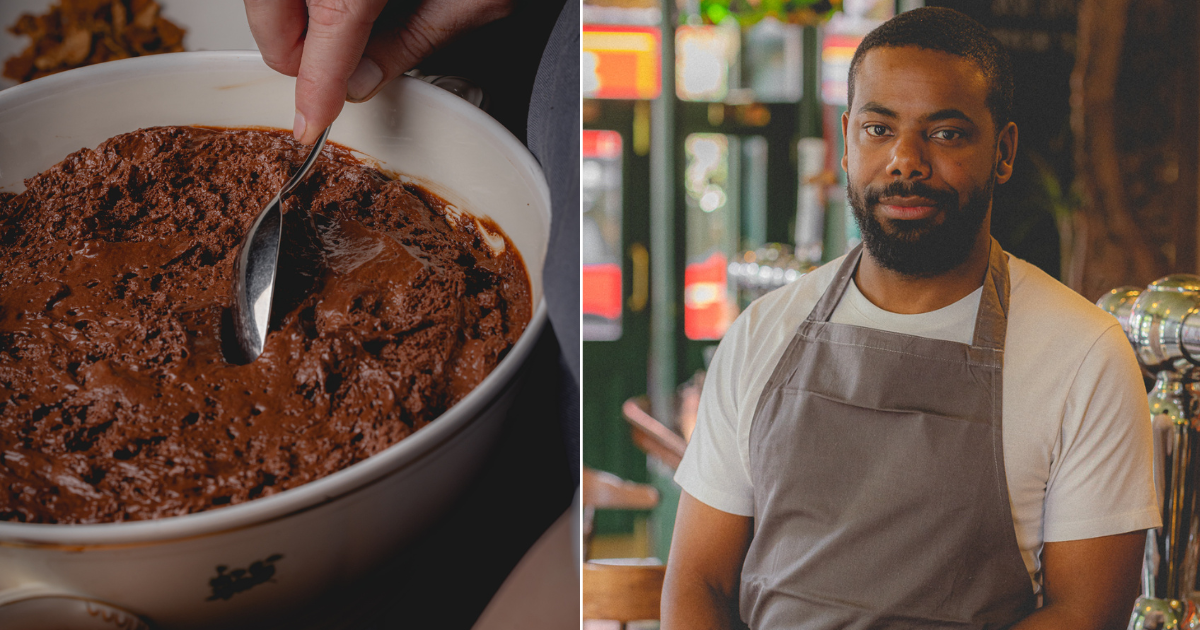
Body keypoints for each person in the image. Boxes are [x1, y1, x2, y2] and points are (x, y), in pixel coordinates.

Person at [663, 8, 1159, 630]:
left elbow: (1086, 613)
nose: (905, 160)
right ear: (847, 141)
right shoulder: (764, 330)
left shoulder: (1085, 355)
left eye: (946, 134)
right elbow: (698, 582)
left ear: (1003, 151)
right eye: (878, 129)